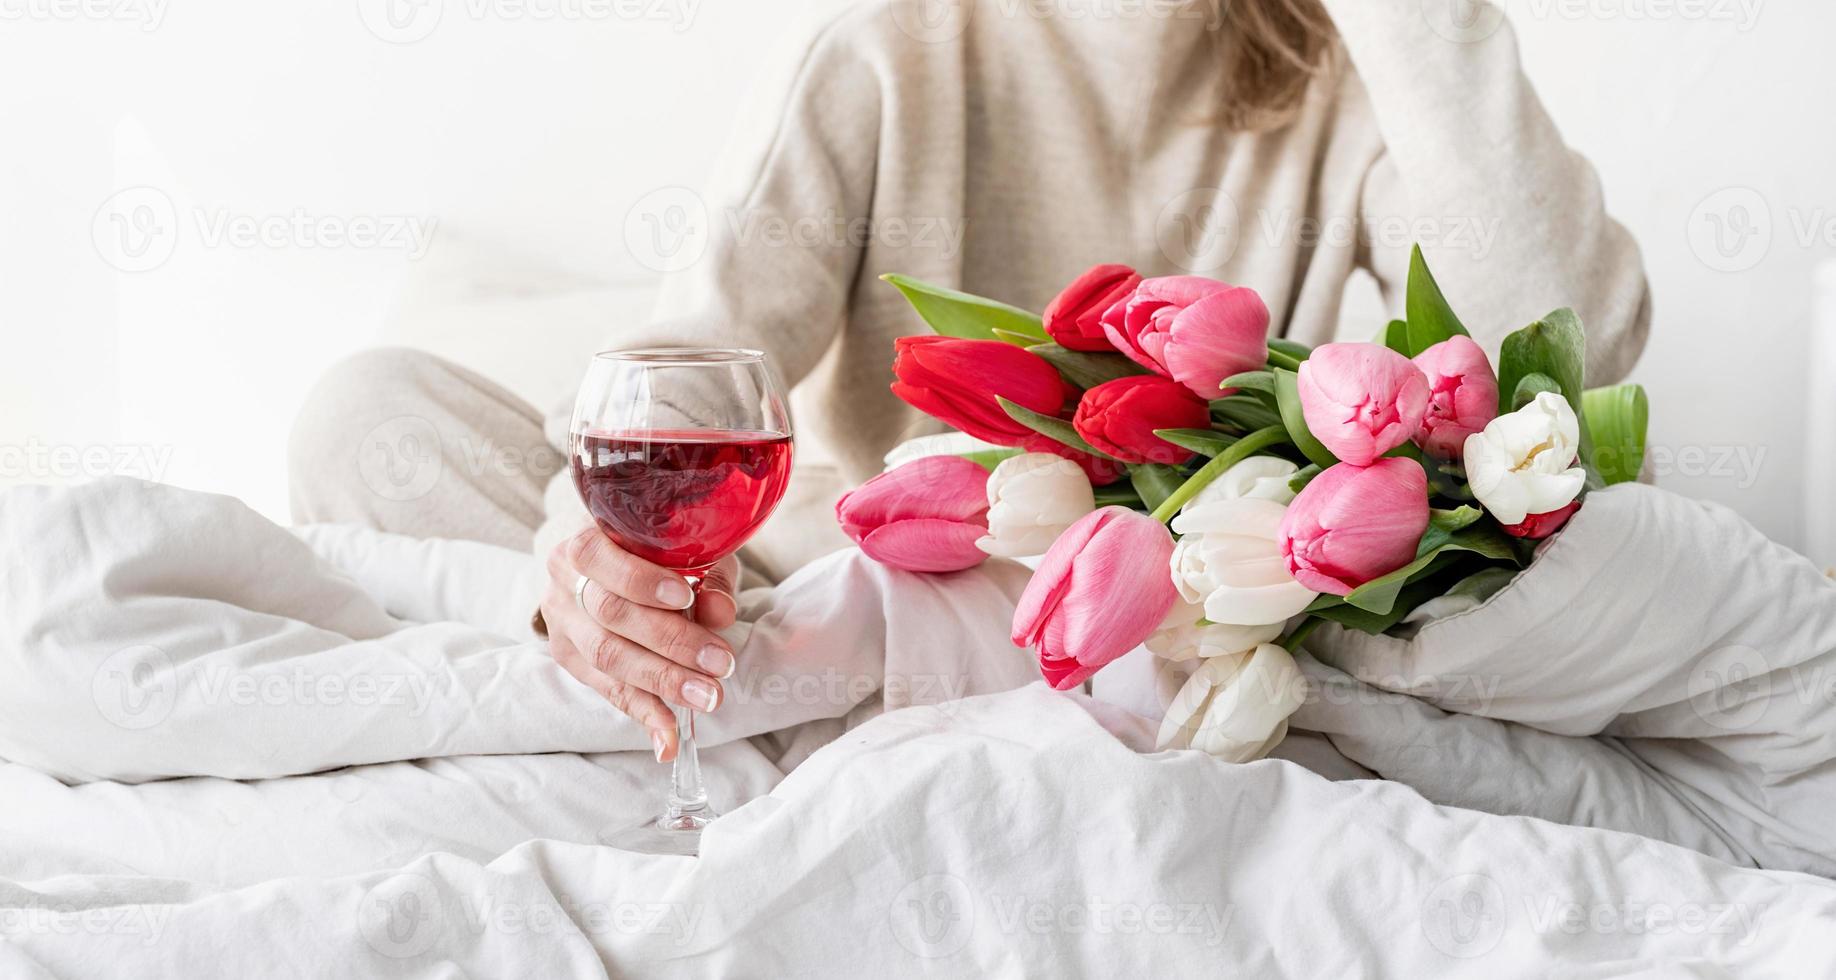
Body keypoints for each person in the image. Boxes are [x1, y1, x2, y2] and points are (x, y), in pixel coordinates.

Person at [288, 0, 1652, 759]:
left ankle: (787, 754)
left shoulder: (1359, 85)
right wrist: (585, 566)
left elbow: (1571, 347)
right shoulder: (891, 50)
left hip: (1154, 647)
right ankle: (752, 718)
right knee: (374, 416)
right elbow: (683, 382)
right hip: (854, 601)